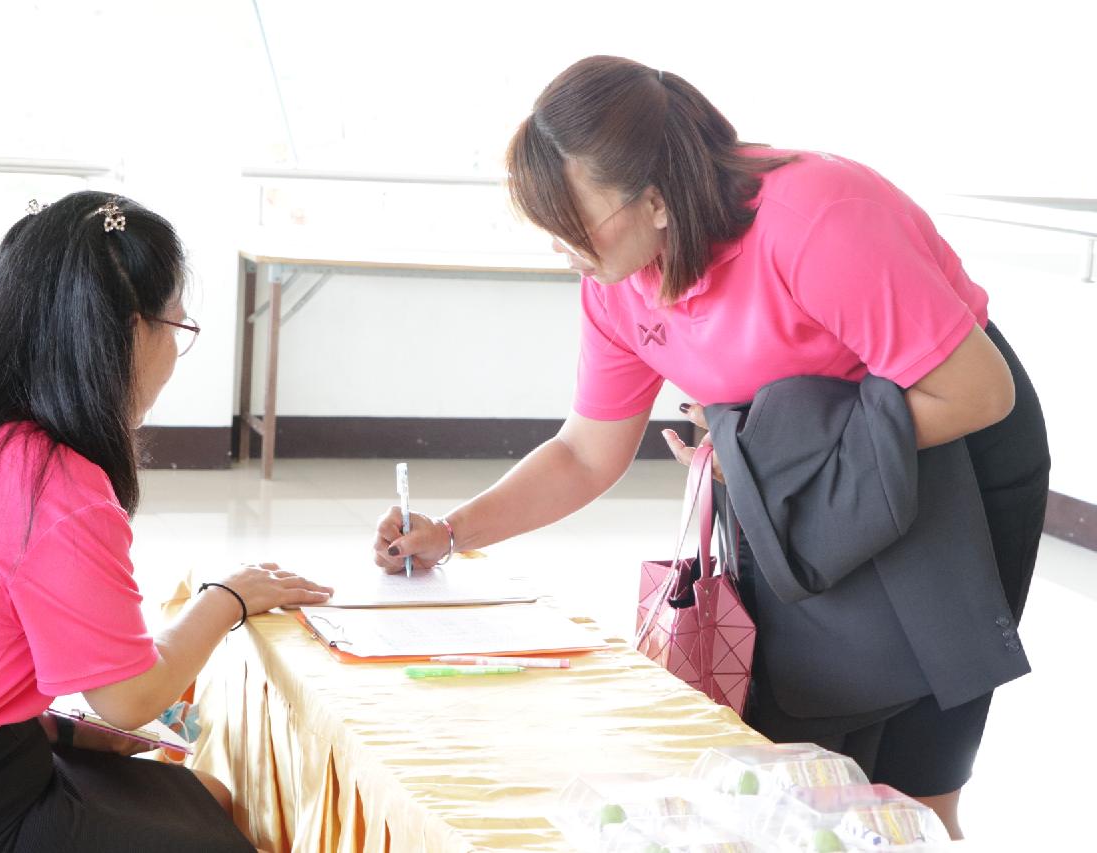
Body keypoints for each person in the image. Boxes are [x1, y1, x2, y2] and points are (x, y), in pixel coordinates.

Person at [372, 56, 1049, 839]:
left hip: (951, 455)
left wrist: (772, 454)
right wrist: (450, 531)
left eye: (572, 223)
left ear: (656, 201)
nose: (560, 248)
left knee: (915, 789)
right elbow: (586, 452)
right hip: (799, 493)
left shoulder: (815, 219)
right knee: (797, 771)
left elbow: (978, 392)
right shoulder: (616, 282)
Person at [0, 191, 333, 852]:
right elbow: (131, 699)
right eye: (177, 325)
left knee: (207, 798)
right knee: (218, 829)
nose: (174, 350)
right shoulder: (50, 482)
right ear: (130, 331)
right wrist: (226, 598)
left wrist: (61, 727)